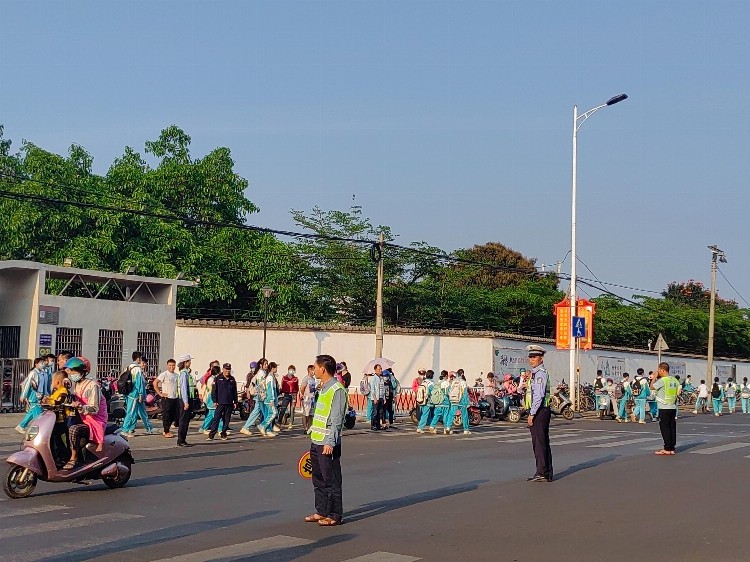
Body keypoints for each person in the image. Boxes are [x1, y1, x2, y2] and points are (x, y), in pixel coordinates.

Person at [305, 354, 347, 527]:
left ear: (323, 368)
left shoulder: (337, 390)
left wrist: (330, 442)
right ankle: (321, 510)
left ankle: (335, 514)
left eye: (315, 367)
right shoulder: (323, 388)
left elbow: (336, 419)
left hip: (327, 443)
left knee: (331, 480)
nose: (313, 370)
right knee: (318, 479)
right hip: (317, 439)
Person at [64, 357, 108, 468]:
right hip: (82, 417)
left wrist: (81, 407)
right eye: (71, 371)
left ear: (83, 372)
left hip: (95, 420)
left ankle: (73, 457)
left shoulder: (92, 386)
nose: (72, 374)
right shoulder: (77, 385)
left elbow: (95, 408)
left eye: (74, 371)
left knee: (73, 430)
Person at [525, 345, 552, 482]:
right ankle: (545, 472)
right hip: (541, 410)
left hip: (540, 410)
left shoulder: (540, 373)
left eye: (534, 357)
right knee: (542, 441)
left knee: (539, 442)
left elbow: (539, 395)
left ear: (541, 358)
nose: (531, 359)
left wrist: (532, 414)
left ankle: (542, 472)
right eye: (530, 357)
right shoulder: (535, 373)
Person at [121, 352, 158, 437]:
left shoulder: (129, 367)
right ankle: (125, 429)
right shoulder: (137, 369)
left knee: (141, 412)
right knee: (131, 412)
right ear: (138, 358)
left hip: (130, 393)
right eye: (141, 359)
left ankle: (147, 428)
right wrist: (141, 394)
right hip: (134, 394)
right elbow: (139, 383)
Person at [651, 362, 679, 455]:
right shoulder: (674, 380)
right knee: (672, 427)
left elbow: (652, 387)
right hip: (673, 407)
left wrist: (654, 377)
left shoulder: (663, 380)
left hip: (664, 407)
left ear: (663, 370)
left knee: (665, 427)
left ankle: (667, 448)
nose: (657, 371)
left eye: (658, 370)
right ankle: (671, 448)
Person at [208, 363, 237, 441]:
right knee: (216, 419)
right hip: (220, 402)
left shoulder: (232, 379)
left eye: (229, 369)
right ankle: (211, 434)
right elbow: (214, 391)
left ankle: (223, 433)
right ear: (223, 369)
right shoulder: (218, 378)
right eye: (226, 369)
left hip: (229, 402)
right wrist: (214, 400)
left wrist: (235, 402)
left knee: (226, 419)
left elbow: (234, 391)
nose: (227, 371)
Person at [16, 357, 46, 434]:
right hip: (34, 395)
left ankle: (21, 426)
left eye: (43, 362)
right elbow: (27, 384)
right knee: (38, 414)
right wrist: (23, 395)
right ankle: (38, 429)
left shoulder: (42, 373)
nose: (43, 364)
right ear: (36, 364)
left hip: (40, 395)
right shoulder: (33, 373)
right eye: (41, 363)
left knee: (32, 412)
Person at [241, 359, 268, 436]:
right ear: (261, 365)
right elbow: (261, 386)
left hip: (259, 395)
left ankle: (246, 427)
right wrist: (263, 395)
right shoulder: (261, 373)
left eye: (267, 364)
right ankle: (265, 427)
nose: (266, 365)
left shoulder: (261, 372)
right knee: (266, 412)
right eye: (265, 364)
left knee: (256, 412)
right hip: (260, 395)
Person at [155, 359, 179, 438]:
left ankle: (167, 429)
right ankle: (166, 431)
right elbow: (155, 383)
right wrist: (160, 393)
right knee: (166, 415)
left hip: (175, 397)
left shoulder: (176, 375)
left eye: (173, 365)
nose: (171, 367)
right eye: (170, 365)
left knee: (173, 415)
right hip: (166, 398)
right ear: (167, 366)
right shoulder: (164, 374)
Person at [258, 362, 281, 437]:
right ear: (273, 368)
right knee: (273, 413)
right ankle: (263, 426)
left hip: (269, 399)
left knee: (269, 414)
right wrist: (271, 399)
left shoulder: (271, 376)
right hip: (269, 399)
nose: (277, 369)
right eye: (276, 367)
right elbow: (270, 389)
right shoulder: (270, 377)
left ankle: (268, 429)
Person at [176, 354, 194, 447]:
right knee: (183, 420)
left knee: (186, 420)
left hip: (187, 399)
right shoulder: (183, 374)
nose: (190, 363)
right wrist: (186, 401)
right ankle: (181, 440)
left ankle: (183, 439)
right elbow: (183, 388)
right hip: (184, 399)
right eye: (189, 361)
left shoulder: (186, 373)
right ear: (185, 363)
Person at [448, 370, 471, 435]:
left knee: (451, 414)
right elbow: (465, 393)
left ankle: (448, 428)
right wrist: (467, 403)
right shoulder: (463, 382)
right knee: (464, 415)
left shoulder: (453, 382)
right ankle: (466, 429)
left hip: (453, 400)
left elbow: (450, 390)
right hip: (461, 401)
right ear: (462, 374)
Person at [200, 365, 221, 434]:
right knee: (218, 416)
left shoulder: (211, 378)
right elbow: (214, 390)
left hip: (211, 398)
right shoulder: (212, 380)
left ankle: (203, 428)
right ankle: (220, 429)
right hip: (212, 399)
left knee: (210, 416)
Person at [278, 365, 299, 429]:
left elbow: (297, 387)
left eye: (293, 370)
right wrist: (282, 393)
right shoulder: (284, 378)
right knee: (283, 409)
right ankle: (279, 423)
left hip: (293, 395)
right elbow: (282, 386)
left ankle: (291, 423)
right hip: (286, 395)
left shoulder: (295, 379)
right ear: (288, 370)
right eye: (290, 370)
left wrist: (295, 395)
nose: (291, 371)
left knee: (292, 410)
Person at [300, 365, 317, 433]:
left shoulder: (313, 379)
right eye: (313, 370)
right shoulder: (306, 379)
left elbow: (312, 389)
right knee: (306, 414)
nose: (314, 372)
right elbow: (302, 388)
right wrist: (303, 396)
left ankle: (310, 428)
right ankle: (305, 428)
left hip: (312, 398)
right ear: (309, 370)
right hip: (306, 398)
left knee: (311, 414)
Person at [369, 364, 386, 430]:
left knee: (380, 412)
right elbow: (372, 389)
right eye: (379, 369)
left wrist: (384, 398)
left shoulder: (381, 378)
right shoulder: (374, 378)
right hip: (376, 398)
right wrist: (375, 398)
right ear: (375, 370)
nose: (380, 370)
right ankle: (373, 425)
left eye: (381, 369)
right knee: (375, 412)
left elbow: (383, 389)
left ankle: (378, 425)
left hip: (381, 397)